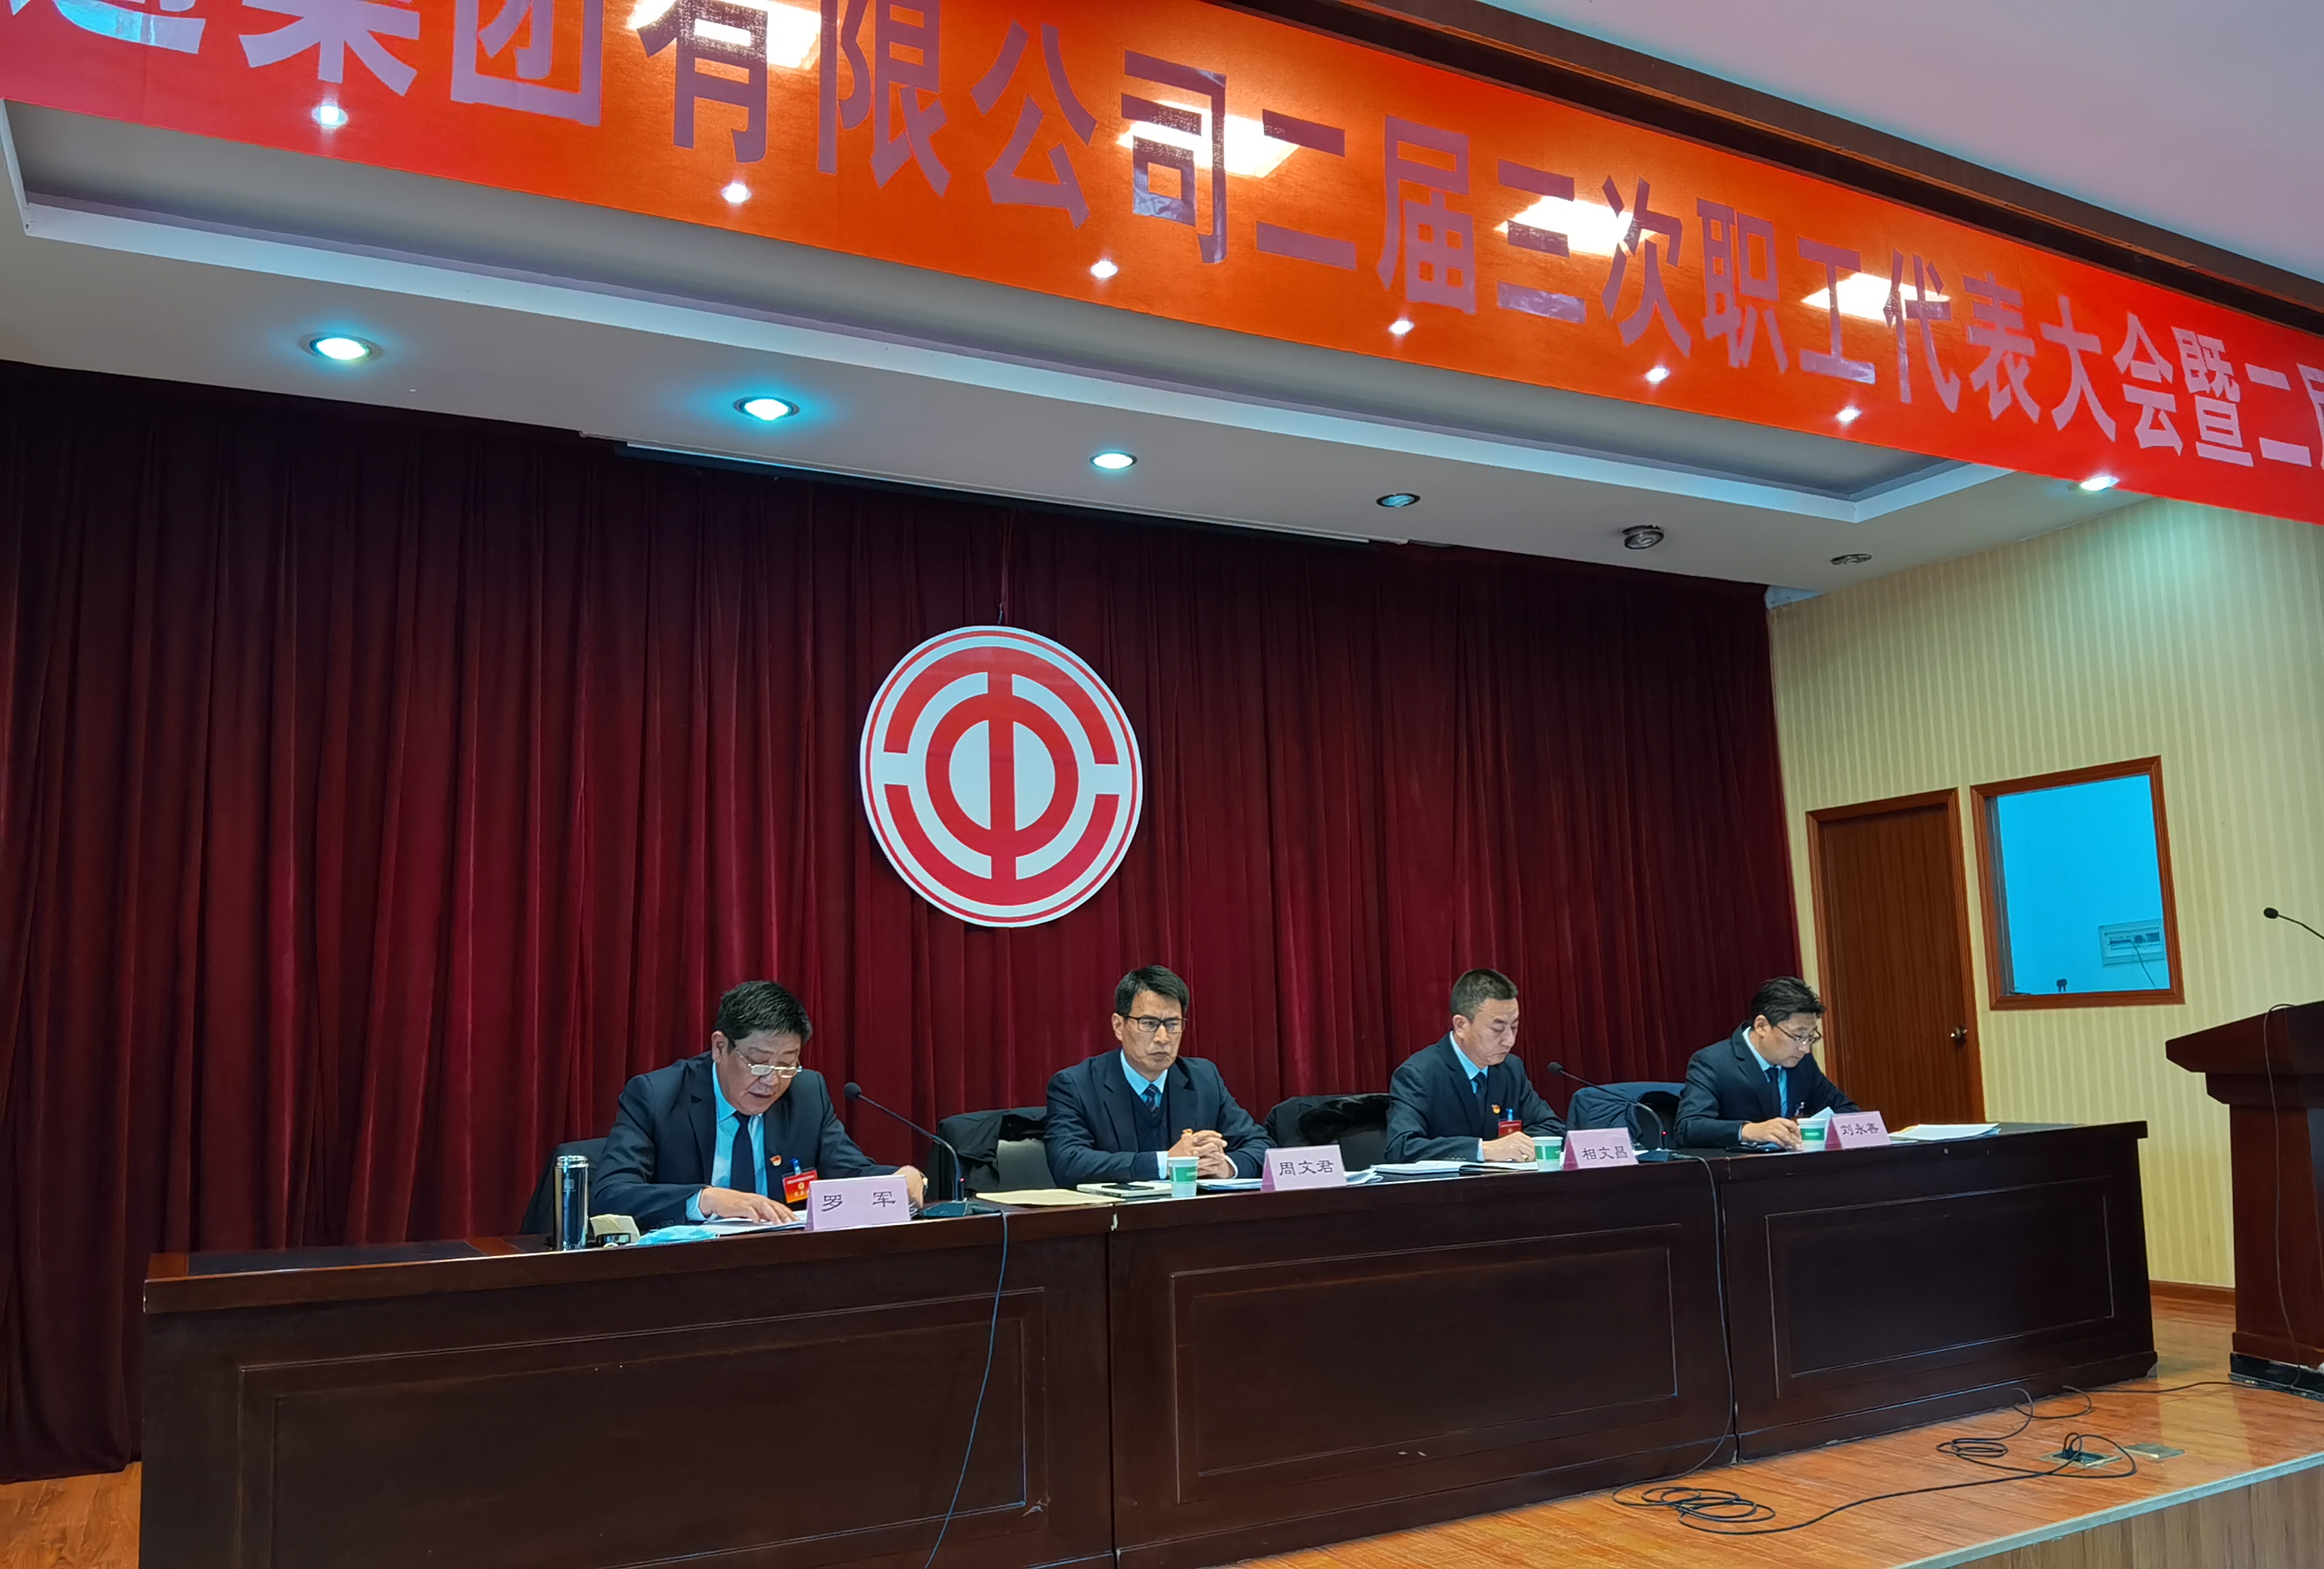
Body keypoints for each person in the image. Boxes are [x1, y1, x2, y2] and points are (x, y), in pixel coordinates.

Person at [592, 979, 925, 1230]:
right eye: (760, 1063)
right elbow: (610, 1194)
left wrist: (901, 1178)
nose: (773, 1081)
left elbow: (851, 1172)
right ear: (720, 1048)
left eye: (787, 1064)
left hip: (783, 1267)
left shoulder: (807, 1094)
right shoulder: (657, 1096)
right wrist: (706, 1199)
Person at [1044, 965, 1270, 1186]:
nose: (1163, 1038)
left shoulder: (1203, 1079)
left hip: (1191, 1210)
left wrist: (1225, 1167)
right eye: (1149, 1024)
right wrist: (1165, 1163)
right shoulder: (1076, 1085)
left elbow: (1263, 1146)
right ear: (1119, 1026)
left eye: (1172, 1024)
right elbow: (1067, 1162)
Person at [1385, 968, 1564, 1163]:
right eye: (1498, 1029)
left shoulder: (1511, 1069)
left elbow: (1554, 1128)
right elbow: (1401, 1148)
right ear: (1461, 1026)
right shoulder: (1419, 1074)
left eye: (1514, 1027)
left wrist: (1518, 1147)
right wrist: (1483, 1150)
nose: (1510, 1040)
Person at [1673, 976, 1859, 1150]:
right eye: (1798, 1036)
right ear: (1762, 1026)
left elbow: (1846, 1110)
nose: (1805, 1049)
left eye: (1810, 1037)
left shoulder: (1803, 1063)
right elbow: (1688, 1126)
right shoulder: (1713, 1062)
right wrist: (1749, 1131)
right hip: (1739, 1168)